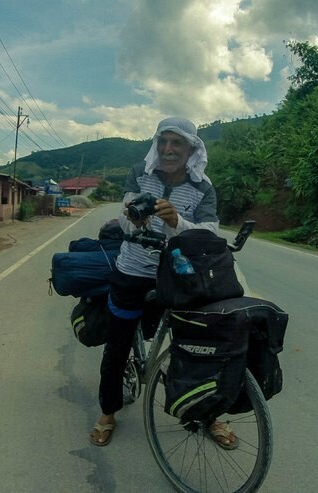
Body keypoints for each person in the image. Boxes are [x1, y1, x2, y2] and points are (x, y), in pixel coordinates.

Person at [89, 116, 238, 450]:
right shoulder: (140, 174)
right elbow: (124, 227)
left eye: (177, 143)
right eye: (163, 141)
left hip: (182, 278)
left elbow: (210, 235)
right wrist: (134, 219)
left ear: (191, 149)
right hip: (133, 271)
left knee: (198, 347)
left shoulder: (203, 187)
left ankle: (209, 414)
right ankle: (107, 413)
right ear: (156, 144)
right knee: (117, 346)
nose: (169, 150)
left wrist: (177, 221)